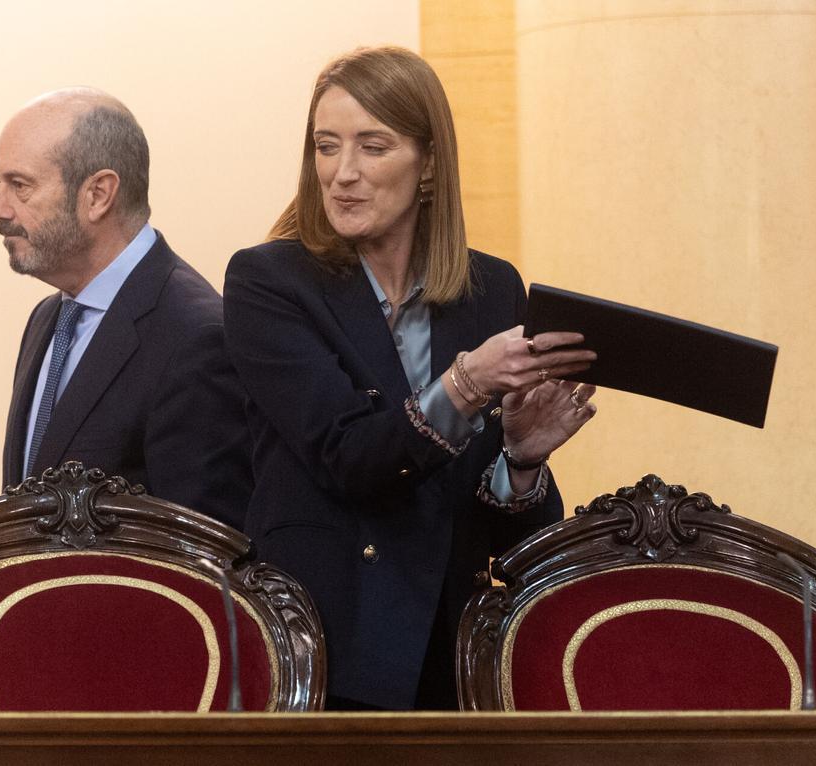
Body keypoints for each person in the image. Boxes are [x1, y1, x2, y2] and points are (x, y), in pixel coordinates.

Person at [223, 47, 598, 710]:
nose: (343, 174)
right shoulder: (268, 282)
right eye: (326, 147)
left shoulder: (491, 289)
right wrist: (465, 384)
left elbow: (513, 539)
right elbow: (350, 458)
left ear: (428, 164)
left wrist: (522, 460)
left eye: (373, 147)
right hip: (323, 647)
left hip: (454, 651)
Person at [0, 88, 250, 530]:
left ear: (98, 195)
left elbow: (202, 553)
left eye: (19, 185)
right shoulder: (49, 319)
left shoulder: (196, 335)